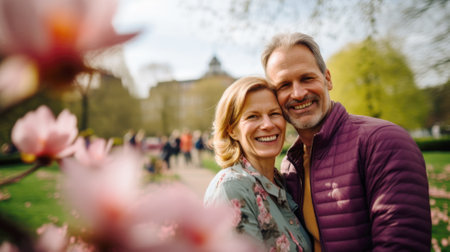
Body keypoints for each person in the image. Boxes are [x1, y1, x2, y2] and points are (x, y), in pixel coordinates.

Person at [261, 32, 431, 251]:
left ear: (327, 79)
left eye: (307, 78)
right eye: (284, 85)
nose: (298, 93)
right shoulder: (290, 167)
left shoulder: (384, 143)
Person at [204, 76, 312, 252]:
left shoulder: (281, 182)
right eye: (253, 116)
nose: (268, 125)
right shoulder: (232, 187)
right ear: (232, 130)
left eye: (274, 114)